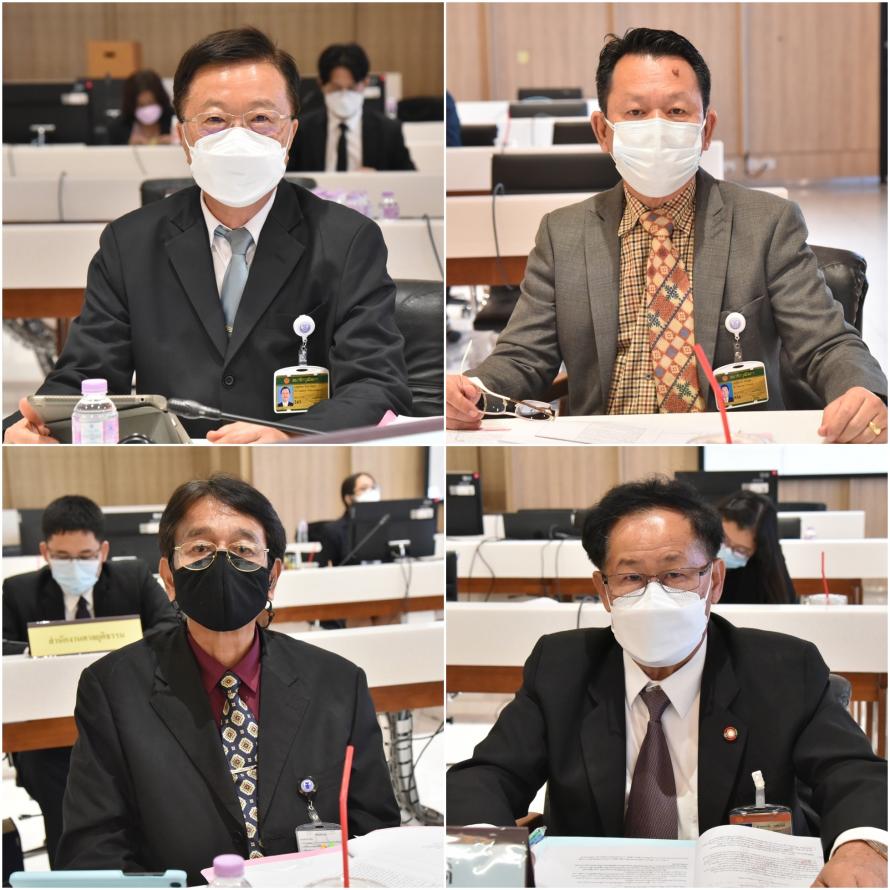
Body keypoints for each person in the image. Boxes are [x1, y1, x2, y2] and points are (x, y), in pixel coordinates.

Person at [446, 28, 888, 444]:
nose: (657, 128)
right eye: (636, 112)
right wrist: (473, 391)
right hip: (605, 444)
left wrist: (864, 392)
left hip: (730, 441)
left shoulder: (767, 223)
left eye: (677, 111)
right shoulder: (563, 234)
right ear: (603, 131)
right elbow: (523, 356)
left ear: (705, 130)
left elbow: (825, 342)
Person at [447, 478, 887, 887]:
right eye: (631, 577)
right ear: (603, 590)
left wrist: (862, 848)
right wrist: (489, 867)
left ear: (714, 581)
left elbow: (853, 772)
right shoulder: (562, 667)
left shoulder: (783, 668)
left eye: (676, 574)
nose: (654, 597)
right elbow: (487, 775)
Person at [4, 27, 411, 445]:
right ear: (184, 138)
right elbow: (86, 377)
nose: (238, 138)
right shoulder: (129, 244)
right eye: (214, 120)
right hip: (169, 464)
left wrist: (291, 437)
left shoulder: (348, 241)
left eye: (261, 119)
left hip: (293, 461)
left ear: (290, 134)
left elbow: (376, 383)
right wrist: (32, 427)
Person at [55, 475, 399, 884]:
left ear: (272, 576)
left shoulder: (339, 684)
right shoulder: (112, 690)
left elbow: (376, 831)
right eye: (200, 548)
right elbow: (93, 850)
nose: (222, 563)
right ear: (169, 576)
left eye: (243, 549)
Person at [2, 495, 176, 866]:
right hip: (47, 731)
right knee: (60, 807)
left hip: (124, 717)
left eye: (84, 556)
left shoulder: (133, 577)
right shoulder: (18, 591)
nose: (74, 565)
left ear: (103, 551)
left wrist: (113, 645)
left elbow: (169, 626)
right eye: (63, 557)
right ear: (45, 552)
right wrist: (43, 649)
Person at [289, 43, 415, 172]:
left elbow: (410, 179)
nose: (344, 96)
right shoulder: (300, 130)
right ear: (321, 84)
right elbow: (286, 177)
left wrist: (378, 179)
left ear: (365, 83)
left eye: (352, 88)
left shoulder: (388, 131)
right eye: (336, 88)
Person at [717, 490, 796, 605]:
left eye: (741, 550)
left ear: (759, 550)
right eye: (724, 539)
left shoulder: (767, 579)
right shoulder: (700, 552)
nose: (727, 551)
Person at [316, 472, 380, 568]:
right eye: (364, 489)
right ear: (348, 498)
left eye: (373, 488)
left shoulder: (383, 525)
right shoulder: (333, 531)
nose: (371, 492)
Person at [108, 69, 179, 146]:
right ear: (132, 106)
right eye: (141, 105)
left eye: (151, 102)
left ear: (160, 100)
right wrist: (127, 146)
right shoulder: (117, 128)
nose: (147, 110)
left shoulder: (176, 120)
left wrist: (176, 143)